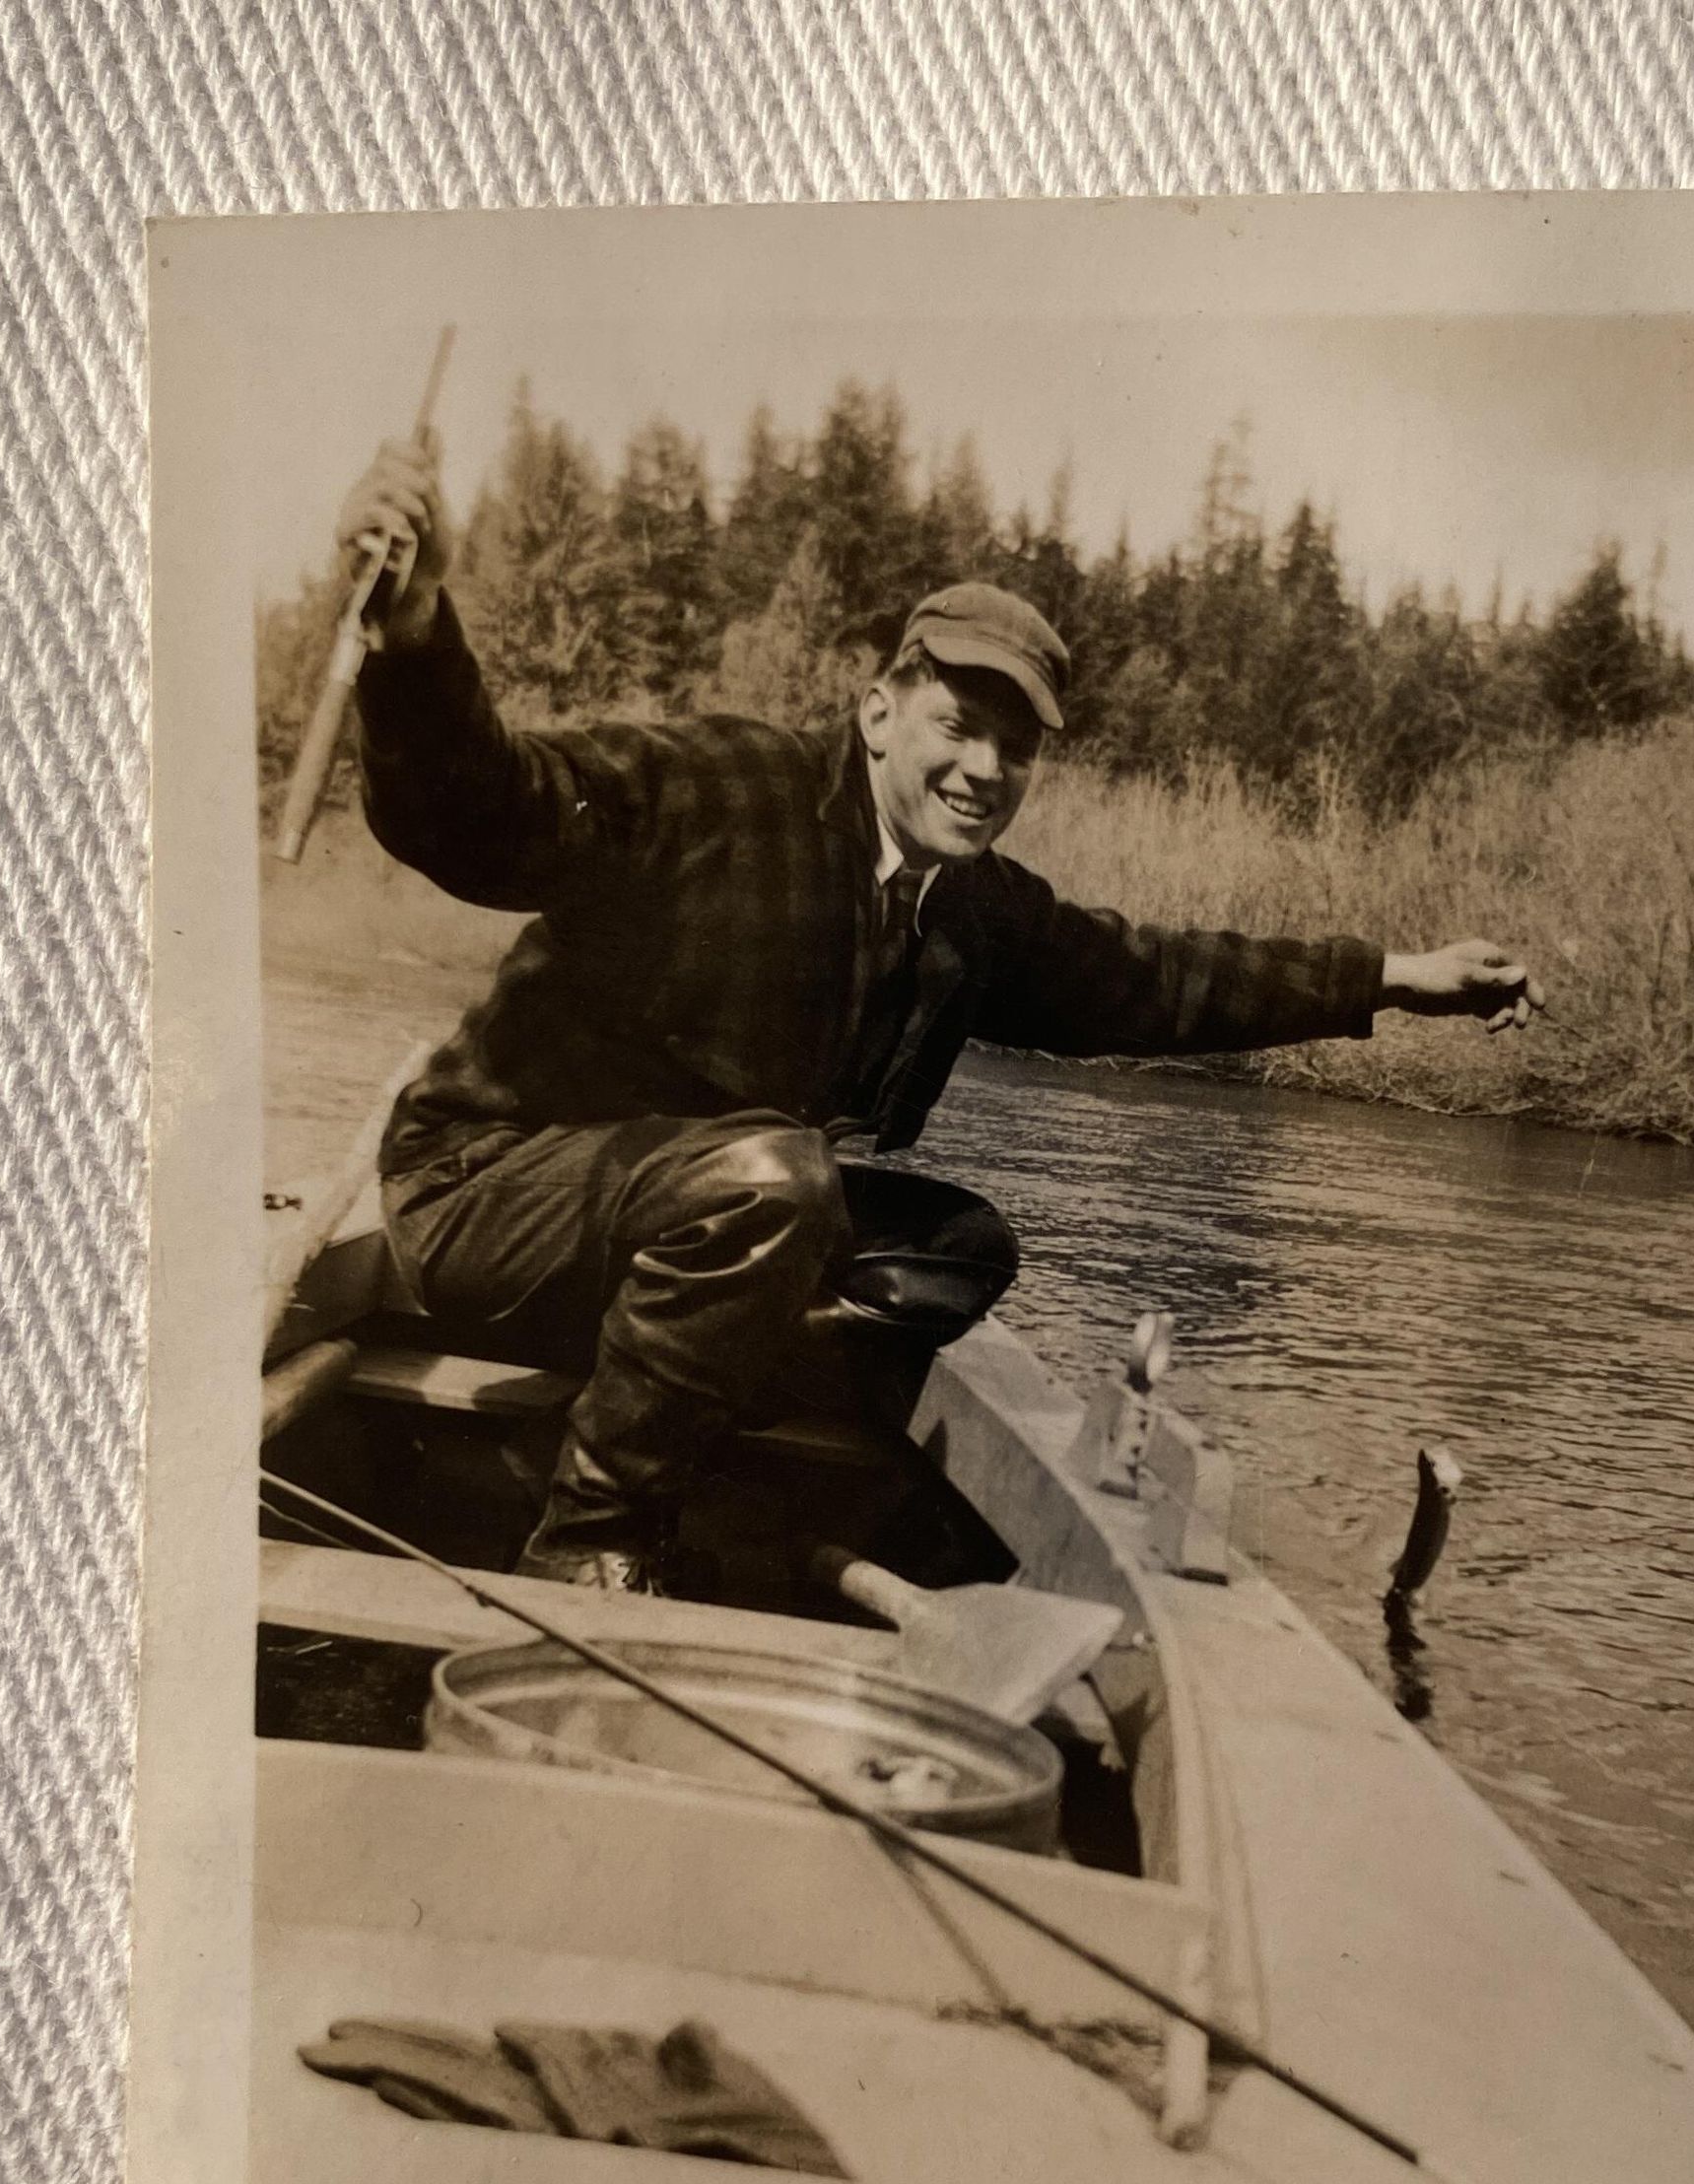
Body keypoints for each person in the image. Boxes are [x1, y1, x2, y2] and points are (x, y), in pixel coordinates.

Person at [336, 438, 1537, 1590]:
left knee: (957, 1250)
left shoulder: (969, 909)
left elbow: (1162, 977)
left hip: (687, 1218)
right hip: (485, 1192)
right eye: (958, 727)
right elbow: (485, 808)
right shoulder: (716, 788)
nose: (984, 770)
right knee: (778, 1181)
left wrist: (1392, 975)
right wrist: (416, 629)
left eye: (1015, 749)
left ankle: (660, 1409)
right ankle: (588, 1534)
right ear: (878, 714)